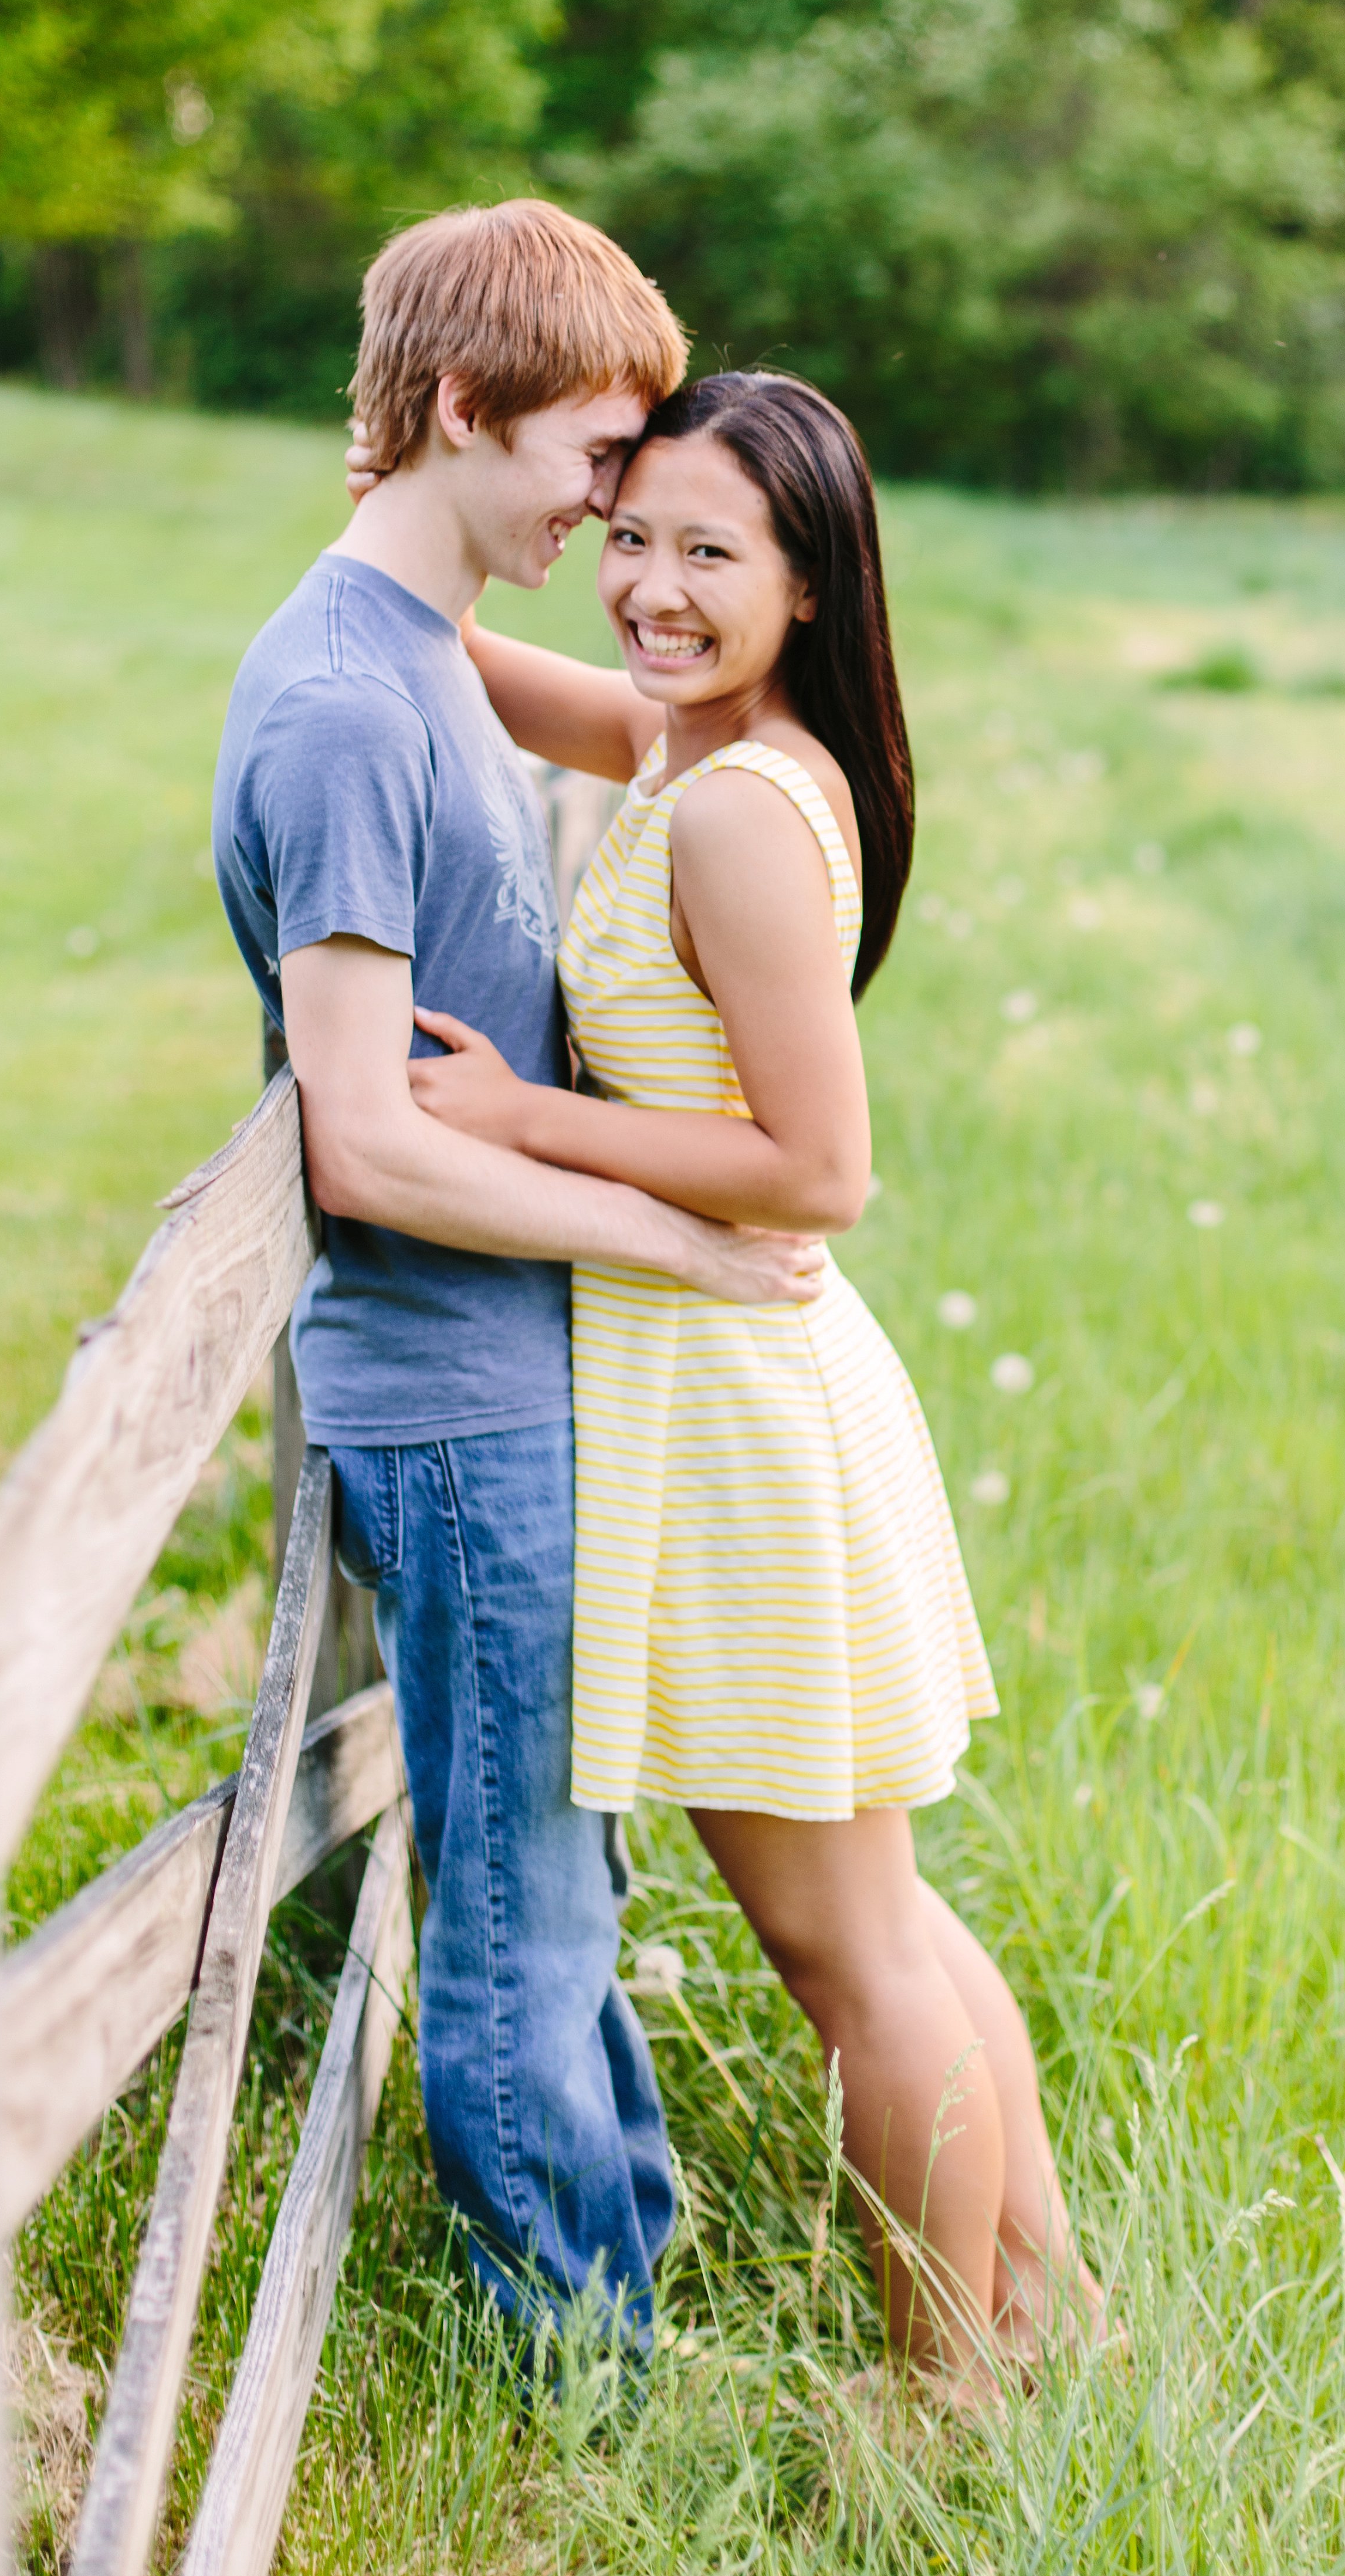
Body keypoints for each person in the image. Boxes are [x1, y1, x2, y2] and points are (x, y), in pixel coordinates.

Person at [403, 369, 1102, 2391]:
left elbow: (821, 1166)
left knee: (844, 1949)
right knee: (884, 1912)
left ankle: (940, 2393)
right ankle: (1039, 2310)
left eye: (712, 553)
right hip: (728, 1384)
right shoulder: (697, 745)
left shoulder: (728, 808)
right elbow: (480, 660)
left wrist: (529, 1118)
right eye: (633, 534)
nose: (650, 589)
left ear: (809, 583)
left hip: (730, 1406)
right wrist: (410, 509)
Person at [212, 204, 825, 2357]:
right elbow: (366, 1133)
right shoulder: (345, 714)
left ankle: (613, 2279)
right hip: (456, 1392)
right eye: (588, 454)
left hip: (512, 1369)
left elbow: (682, 724)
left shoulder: (419, 650)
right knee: (522, 1907)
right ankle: (573, 2353)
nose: (613, 507)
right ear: (461, 410)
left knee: (564, 1867)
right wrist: (676, 1228)